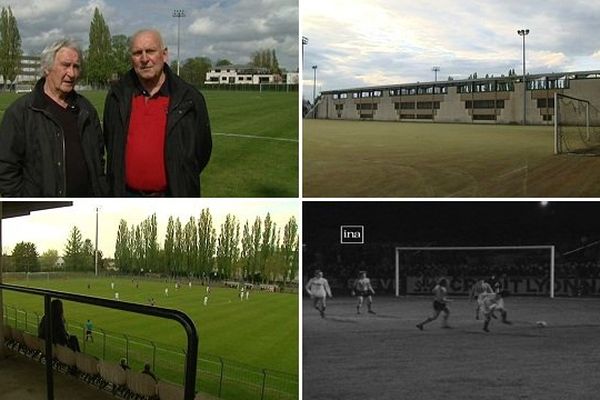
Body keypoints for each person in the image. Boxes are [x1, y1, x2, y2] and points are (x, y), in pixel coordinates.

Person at [103, 29, 212, 197]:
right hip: (125, 198)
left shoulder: (189, 97)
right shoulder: (117, 96)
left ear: (164, 54)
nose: (145, 59)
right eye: (138, 53)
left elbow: (202, 150)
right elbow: (110, 142)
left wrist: (181, 178)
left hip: (173, 197)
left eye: (151, 51)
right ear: (131, 58)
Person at [0, 39, 108, 197]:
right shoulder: (21, 113)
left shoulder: (86, 110)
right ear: (46, 68)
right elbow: (6, 170)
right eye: (65, 65)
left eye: (76, 67)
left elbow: (98, 159)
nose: (71, 74)